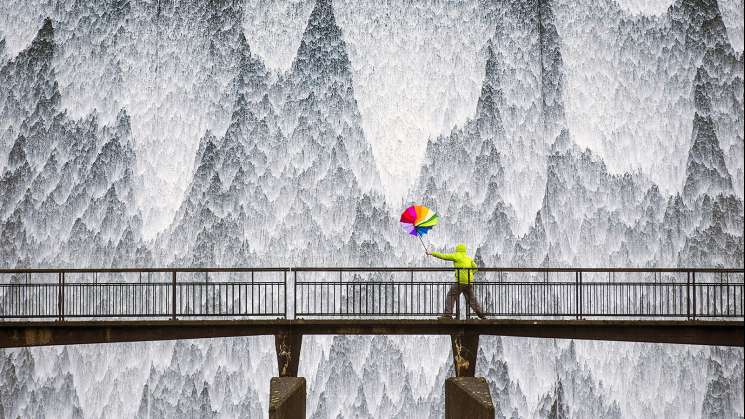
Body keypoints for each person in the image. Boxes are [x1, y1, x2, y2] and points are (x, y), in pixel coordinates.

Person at [427, 244, 487, 319]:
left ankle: (448, 315)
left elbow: (443, 256)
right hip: (469, 282)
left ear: (457, 249)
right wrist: (470, 273)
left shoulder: (456, 255)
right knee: (472, 299)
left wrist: (431, 253)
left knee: (451, 295)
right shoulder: (468, 258)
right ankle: (482, 315)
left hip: (460, 281)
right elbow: (475, 268)